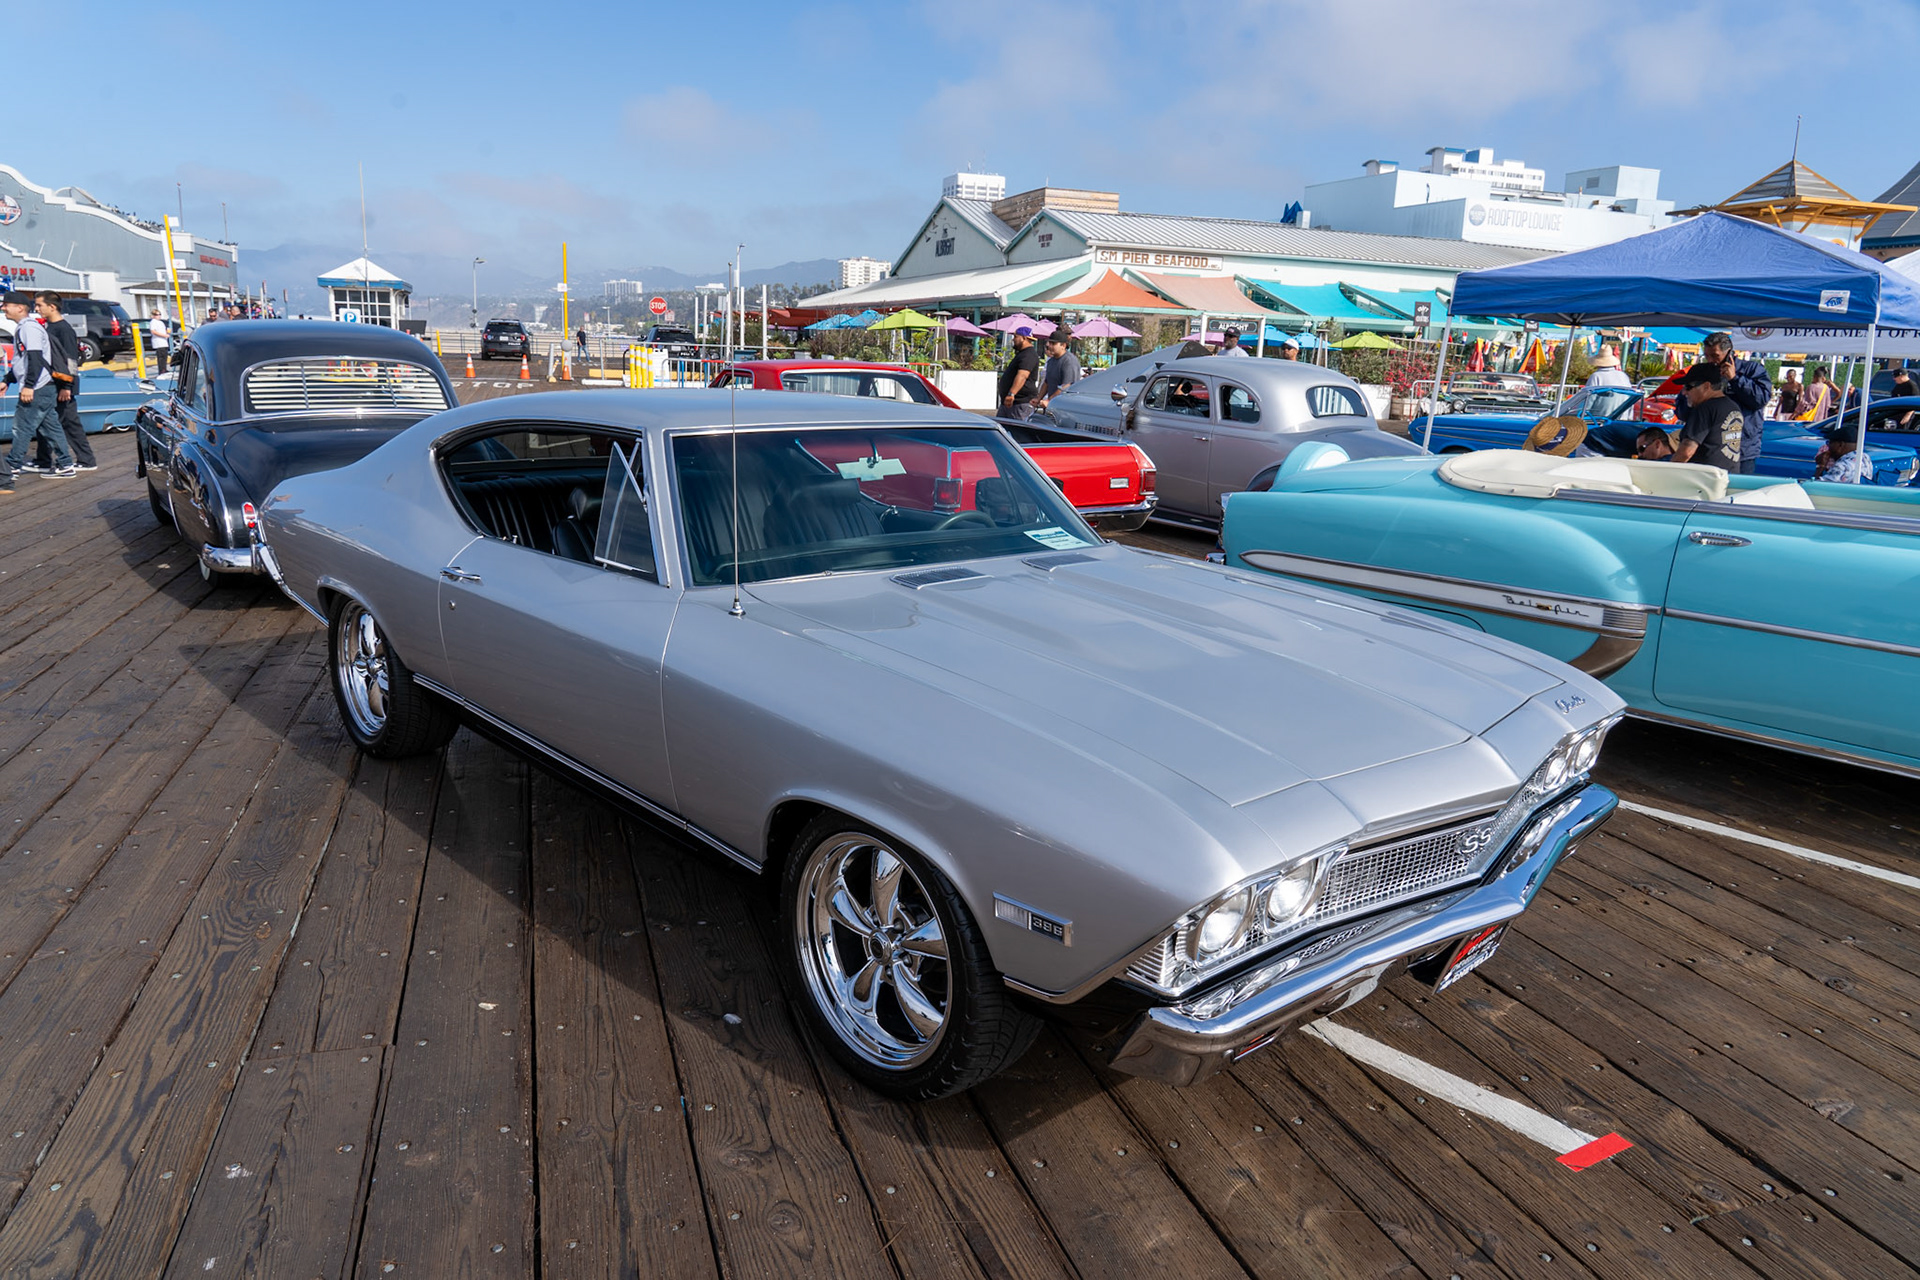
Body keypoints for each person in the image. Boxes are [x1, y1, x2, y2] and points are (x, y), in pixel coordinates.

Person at [3, 291, 73, 478]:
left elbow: (35, 358)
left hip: (38, 386)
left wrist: (29, 385)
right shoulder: (25, 327)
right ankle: (66, 464)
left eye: (6, 305)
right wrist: (7, 380)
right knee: (50, 427)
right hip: (43, 386)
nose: (3, 308)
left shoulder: (29, 328)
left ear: (20, 308)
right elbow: (23, 361)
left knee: (22, 426)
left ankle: (12, 466)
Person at [1675, 333, 1769, 472]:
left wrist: (1735, 379)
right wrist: (1692, 394)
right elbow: (1682, 412)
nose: (1711, 360)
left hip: (1741, 447)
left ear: (1729, 352)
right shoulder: (1703, 373)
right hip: (1706, 445)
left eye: (1715, 356)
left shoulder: (1751, 370)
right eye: (1707, 356)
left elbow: (1761, 399)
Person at [33, 293, 97, 471]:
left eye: (39, 305)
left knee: (70, 423)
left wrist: (67, 386)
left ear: (52, 307)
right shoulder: (49, 327)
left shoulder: (64, 329)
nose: (36, 309)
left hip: (64, 386)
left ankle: (87, 461)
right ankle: (42, 460)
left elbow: (71, 360)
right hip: (52, 383)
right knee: (45, 421)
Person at [1671, 365, 1743, 470]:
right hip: (1730, 475)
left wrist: (1668, 471)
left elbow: (1687, 451)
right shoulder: (1733, 407)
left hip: (1704, 476)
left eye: (1688, 387)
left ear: (1706, 386)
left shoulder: (1704, 409)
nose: (1684, 392)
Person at [998, 326, 1040, 420]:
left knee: (1017, 428)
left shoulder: (1028, 354)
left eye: (1016, 336)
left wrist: (1011, 394)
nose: (1013, 339)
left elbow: (1022, 375)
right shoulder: (1022, 353)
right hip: (1010, 403)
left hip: (1020, 403)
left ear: (1024, 338)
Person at [1038, 329, 1080, 412]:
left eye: (1053, 344)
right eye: (1049, 343)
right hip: (1052, 408)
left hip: (1066, 409)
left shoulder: (1069, 361)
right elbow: (1047, 382)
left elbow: (1066, 386)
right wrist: (1038, 398)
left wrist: (1049, 400)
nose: (1049, 346)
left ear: (1063, 345)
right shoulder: (1051, 361)